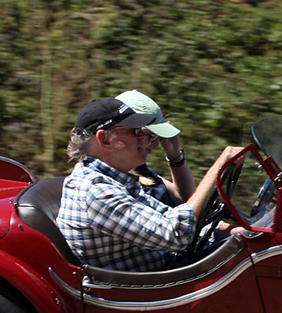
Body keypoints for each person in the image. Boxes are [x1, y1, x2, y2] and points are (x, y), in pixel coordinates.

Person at [56, 97, 246, 272]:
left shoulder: (116, 181)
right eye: (135, 132)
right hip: (149, 291)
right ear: (105, 140)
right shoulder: (95, 190)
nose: (147, 140)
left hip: (170, 272)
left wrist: (240, 234)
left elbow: (169, 217)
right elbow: (175, 234)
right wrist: (217, 169)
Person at [114, 89, 191, 205]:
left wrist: (175, 156)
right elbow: (190, 210)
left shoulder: (140, 170)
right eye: (151, 135)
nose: (155, 144)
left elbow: (186, 201)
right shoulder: (115, 183)